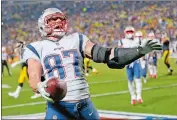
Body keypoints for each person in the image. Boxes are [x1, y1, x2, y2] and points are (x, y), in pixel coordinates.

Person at [22, 8, 162, 119]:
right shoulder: (35, 47)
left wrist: (139, 51)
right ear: (42, 24)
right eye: (53, 19)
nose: (58, 22)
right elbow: (33, 74)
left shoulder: (77, 39)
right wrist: (39, 86)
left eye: (61, 19)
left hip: (84, 103)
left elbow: (107, 55)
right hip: (59, 107)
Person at [118, 27, 143, 105]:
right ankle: (133, 96)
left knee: (138, 79)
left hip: (136, 62)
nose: (129, 33)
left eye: (131, 31)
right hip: (128, 63)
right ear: (125, 33)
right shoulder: (122, 41)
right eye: (128, 32)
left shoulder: (137, 40)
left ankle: (139, 96)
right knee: (130, 80)